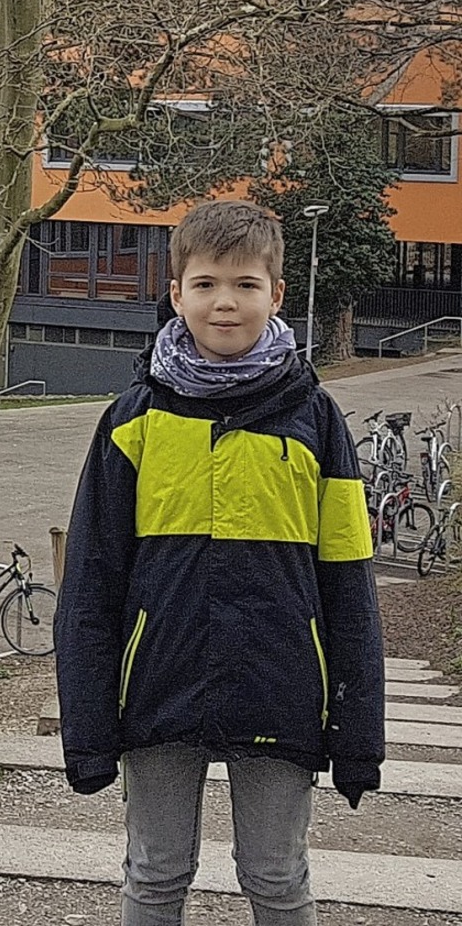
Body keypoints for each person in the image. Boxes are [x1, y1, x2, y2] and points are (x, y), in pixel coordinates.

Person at [54, 201, 385, 926]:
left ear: (276, 294)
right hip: (157, 691)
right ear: (175, 293)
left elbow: (350, 582)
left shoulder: (316, 420)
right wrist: (86, 727)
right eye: (204, 284)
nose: (225, 302)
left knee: (275, 876)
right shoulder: (132, 419)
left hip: (281, 687)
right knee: (155, 873)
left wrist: (360, 733)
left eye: (244, 284)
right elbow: (90, 585)